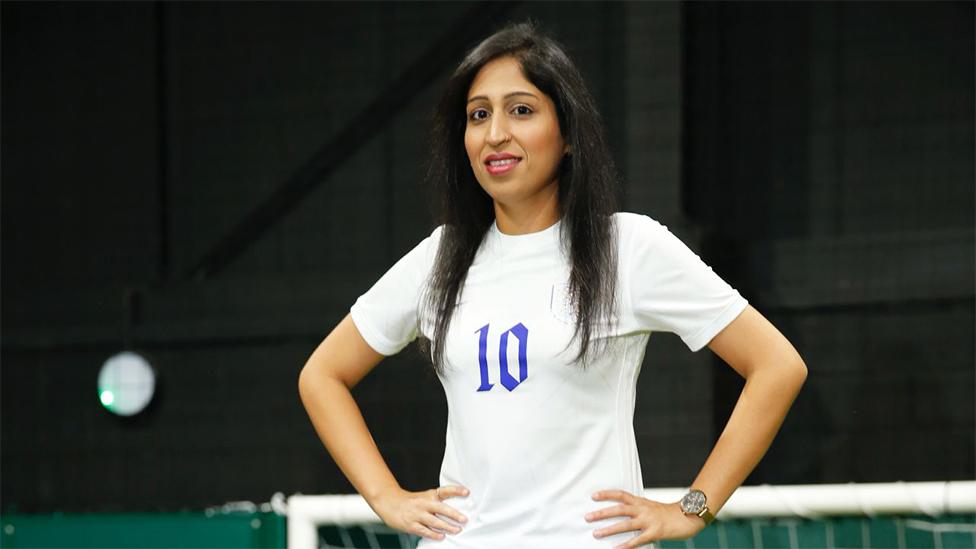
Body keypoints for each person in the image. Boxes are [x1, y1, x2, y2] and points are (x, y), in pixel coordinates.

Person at [298, 20, 807, 549]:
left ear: (567, 135)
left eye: (521, 110)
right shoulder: (440, 256)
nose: (495, 133)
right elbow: (323, 376)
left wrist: (693, 508)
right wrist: (385, 496)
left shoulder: (626, 247)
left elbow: (776, 366)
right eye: (478, 115)